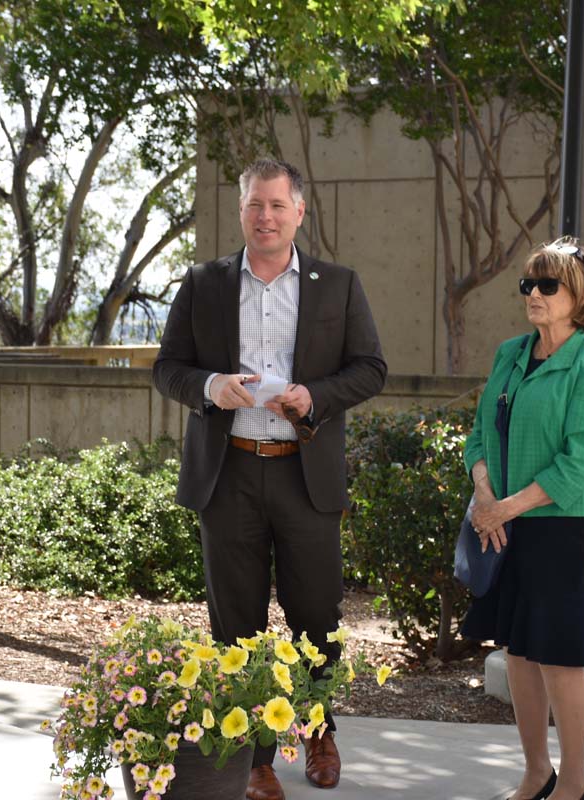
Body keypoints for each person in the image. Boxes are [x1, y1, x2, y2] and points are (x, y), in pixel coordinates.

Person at [153, 158, 387, 800]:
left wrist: (316, 397)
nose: (266, 217)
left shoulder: (337, 285)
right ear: (241, 210)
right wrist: (209, 387)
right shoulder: (202, 284)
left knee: (316, 614)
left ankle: (318, 732)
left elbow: (370, 367)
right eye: (256, 205)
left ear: (299, 212)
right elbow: (167, 367)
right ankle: (254, 757)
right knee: (237, 623)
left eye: (278, 206)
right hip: (227, 475)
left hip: (303, 474)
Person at [461, 237, 584, 800]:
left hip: (560, 527)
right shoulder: (510, 354)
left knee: (557, 655)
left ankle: (575, 783)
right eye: (528, 283)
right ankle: (536, 772)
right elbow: (478, 436)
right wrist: (485, 496)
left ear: (580, 296)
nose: (533, 294)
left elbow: (580, 464)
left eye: (547, 285)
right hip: (502, 520)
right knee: (519, 652)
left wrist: (506, 506)